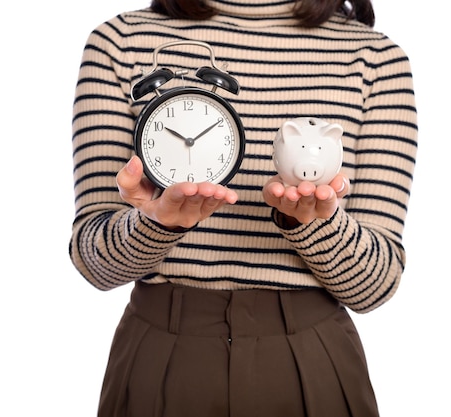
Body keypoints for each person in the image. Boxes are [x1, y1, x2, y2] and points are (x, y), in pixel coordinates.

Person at [69, 0, 417, 416]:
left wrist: (312, 223)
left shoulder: (375, 59)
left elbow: (375, 286)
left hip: (313, 361)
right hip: (160, 356)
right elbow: (94, 264)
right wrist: (155, 223)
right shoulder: (120, 42)